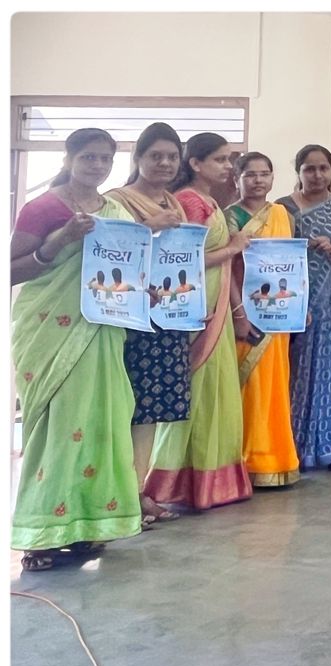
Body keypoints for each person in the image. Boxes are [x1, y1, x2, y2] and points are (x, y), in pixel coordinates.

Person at [9, 128, 145, 570]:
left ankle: (88, 525)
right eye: (88, 157)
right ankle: (41, 534)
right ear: (68, 159)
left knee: (101, 423)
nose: (97, 166)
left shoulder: (117, 212)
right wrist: (61, 239)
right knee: (58, 428)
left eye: (105, 158)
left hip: (103, 329)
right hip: (51, 328)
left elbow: (130, 269)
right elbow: (11, 271)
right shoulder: (43, 208)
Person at [143, 132, 252, 509]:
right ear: (195, 163)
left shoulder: (208, 200)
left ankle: (210, 481)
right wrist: (232, 248)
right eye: (220, 159)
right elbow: (180, 260)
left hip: (214, 301)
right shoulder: (190, 201)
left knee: (214, 388)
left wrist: (237, 308)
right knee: (199, 390)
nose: (228, 166)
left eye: (229, 159)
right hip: (195, 304)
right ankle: (180, 483)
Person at [104, 124, 193, 522]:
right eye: (155, 155)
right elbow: (106, 250)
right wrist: (149, 227)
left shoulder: (174, 202)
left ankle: (138, 492)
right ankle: (118, 497)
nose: (165, 163)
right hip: (129, 317)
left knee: (153, 410)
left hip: (169, 317)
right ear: (138, 158)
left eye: (172, 157)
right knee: (129, 407)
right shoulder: (117, 201)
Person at [277, 144, 331, 473]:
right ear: (298, 172)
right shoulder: (281, 209)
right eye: (309, 169)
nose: (317, 175)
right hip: (293, 302)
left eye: (323, 168)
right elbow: (273, 255)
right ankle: (290, 448)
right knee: (294, 373)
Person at [225, 152, 300, 488]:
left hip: (280, 314)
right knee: (249, 388)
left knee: (275, 387)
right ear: (237, 179)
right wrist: (239, 313)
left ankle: (276, 459)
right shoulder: (229, 217)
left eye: (264, 174)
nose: (258, 180)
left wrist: (299, 304)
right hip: (244, 313)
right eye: (250, 174)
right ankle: (246, 462)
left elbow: (293, 265)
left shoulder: (283, 214)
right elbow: (227, 269)